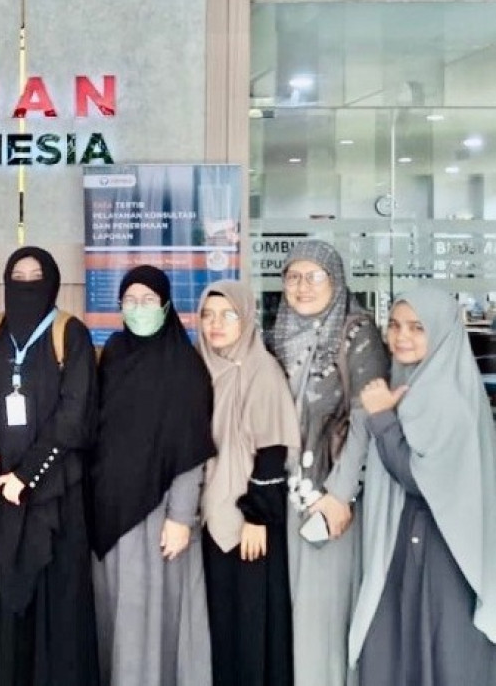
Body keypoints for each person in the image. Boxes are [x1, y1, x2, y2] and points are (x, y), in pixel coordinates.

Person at [0, 247, 99, 686]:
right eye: (16, 276)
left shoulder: (69, 334)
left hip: (52, 500)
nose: (24, 284)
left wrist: (26, 476)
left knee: (54, 612)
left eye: (35, 276)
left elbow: (74, 416)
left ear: (52, 282)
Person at [349, 286, 496, 685]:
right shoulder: (413, 383)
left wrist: (382, 420)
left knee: (435, 650)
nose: (402, 337)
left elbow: (421, 479)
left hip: (439, 548)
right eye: (395, 325)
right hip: (417, 540)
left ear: (442, 332)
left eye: (418, 327)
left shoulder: (447, 397)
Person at [265, 240, 388, 685]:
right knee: (291, 616)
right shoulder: (277, 334)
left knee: (323, 617)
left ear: (335, 281)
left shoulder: (358, 334)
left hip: (330, 497)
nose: (303, 287)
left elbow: (366, 418)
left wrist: (339, 495)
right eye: (293, 277)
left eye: (314, 276)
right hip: (284, 495)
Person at [89, 265, 214, 686]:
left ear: (165, 305)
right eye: (129, 300)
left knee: (149, 620)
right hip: (108, 512)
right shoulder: (113, 353)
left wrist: (181, 517)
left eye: (147, 300)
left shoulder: (184, 365)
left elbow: (190, 448)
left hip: (157, 514)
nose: (138, 308)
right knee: (112, 617)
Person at [196, 281, 298, 686]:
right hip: (211, 513)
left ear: (247, 318)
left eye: (228, 315)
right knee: (221, 623)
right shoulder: (200, 367)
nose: (216, 324)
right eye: (208, 315)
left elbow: (272, 448)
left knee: (251, 621)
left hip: (250, 518)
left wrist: (257, 516)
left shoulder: (261, 369)